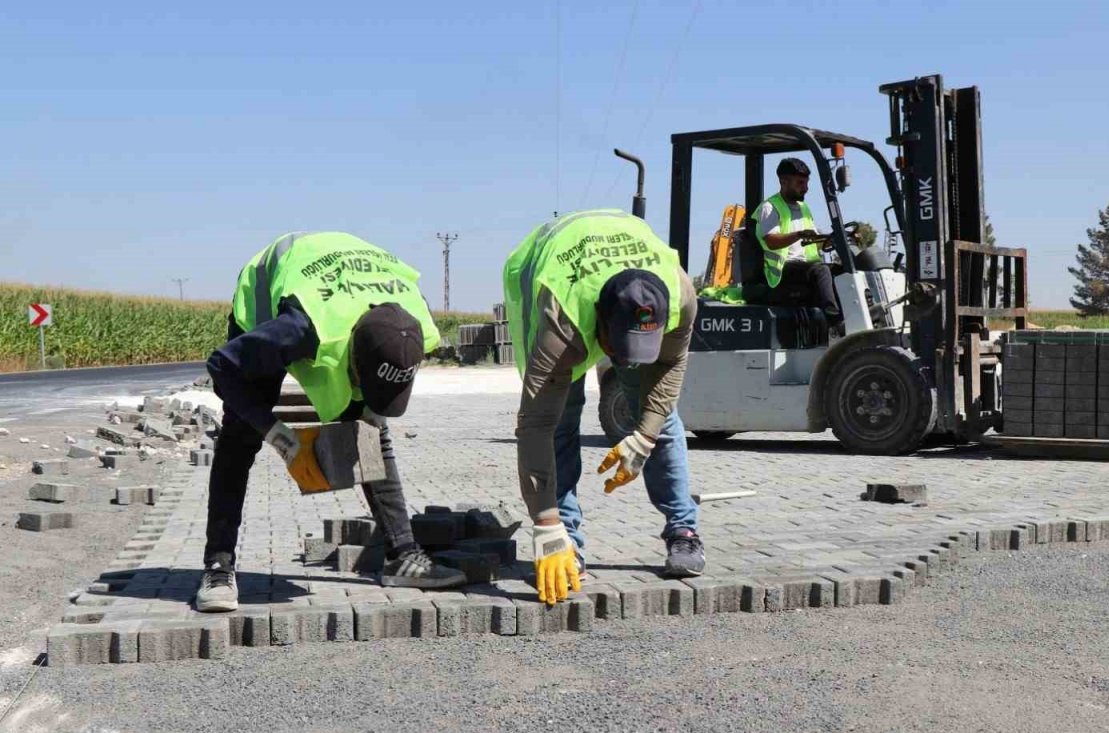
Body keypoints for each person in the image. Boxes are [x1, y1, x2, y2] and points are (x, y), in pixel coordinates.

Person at [196, 231, 467, 613]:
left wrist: (368, 414)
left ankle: (402, 554)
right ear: (351, 358)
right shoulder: (297, 330)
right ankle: (218, 564)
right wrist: (278, 436)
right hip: (271, 299)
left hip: (343, 290)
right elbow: (221, 367)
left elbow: (372, 420)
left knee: (372, 428)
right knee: (240, 435)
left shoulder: (414, 321)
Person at [503, 210, 706, 605]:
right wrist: (544, 525)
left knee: (663, 419)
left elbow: (671, 366)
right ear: (599, 324)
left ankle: (684, 532)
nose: (626, 362)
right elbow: (534, 426)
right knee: (560, 421)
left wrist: (644, 436)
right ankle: (566, 542)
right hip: (547, 274)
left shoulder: (681, 295)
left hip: (617, 269)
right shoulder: (561, 315)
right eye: (618, 349)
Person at [747, 157, 842, 327]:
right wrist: (798, 234)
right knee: (820, 271)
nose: (805, 188)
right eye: (800, 183)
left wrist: (833, 241)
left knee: (842, 269)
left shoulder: (803, 208)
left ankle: (853, 317)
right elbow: (771, 241)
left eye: (806, 183)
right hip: (781, 271)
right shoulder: (770, 207)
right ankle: (833, 320)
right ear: (784, 181)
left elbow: (813, 241)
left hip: (804, 267)